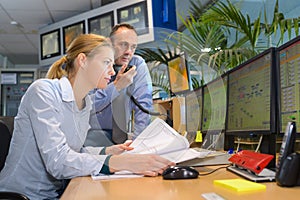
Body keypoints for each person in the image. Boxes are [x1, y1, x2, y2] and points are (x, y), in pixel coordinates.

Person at [0, 34, 174, 200]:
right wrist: (121, 162)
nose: (112, 72)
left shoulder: (85, 103)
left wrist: (107, 151)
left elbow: (73, 150)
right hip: (24, 195)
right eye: (106, 62)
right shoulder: (43, 92)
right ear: (83, 60)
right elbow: (58, 161)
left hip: (55, 192)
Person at [87, 23, 153, 146]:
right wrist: (116, 87)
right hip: (91, 135)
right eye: (123, 45)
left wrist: (137, 145)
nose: (129, 52)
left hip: (122, 138)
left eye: (133, 47)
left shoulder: (137, 64)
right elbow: (87, 105)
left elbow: (144, 105)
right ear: (109, 43)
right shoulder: (94, 63)